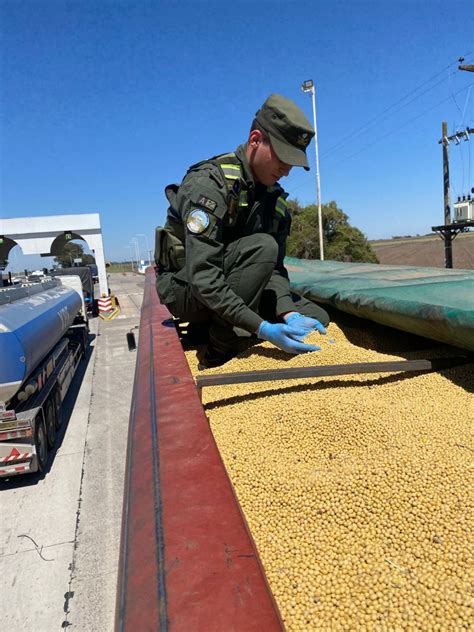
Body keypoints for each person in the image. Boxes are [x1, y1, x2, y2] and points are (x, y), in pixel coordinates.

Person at [155, 93, 330, 368]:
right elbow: (205, 277)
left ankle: (230, 323)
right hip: (188, 288)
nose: (286, 171)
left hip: (235, 281)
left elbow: (274, 269)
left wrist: (288, 313)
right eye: (282, 157)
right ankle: (218, 349)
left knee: (317, 317)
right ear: (255, 139)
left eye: (292, 163)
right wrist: (263, 329)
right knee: (263, 246)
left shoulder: (275, 201)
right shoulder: (210, 185)